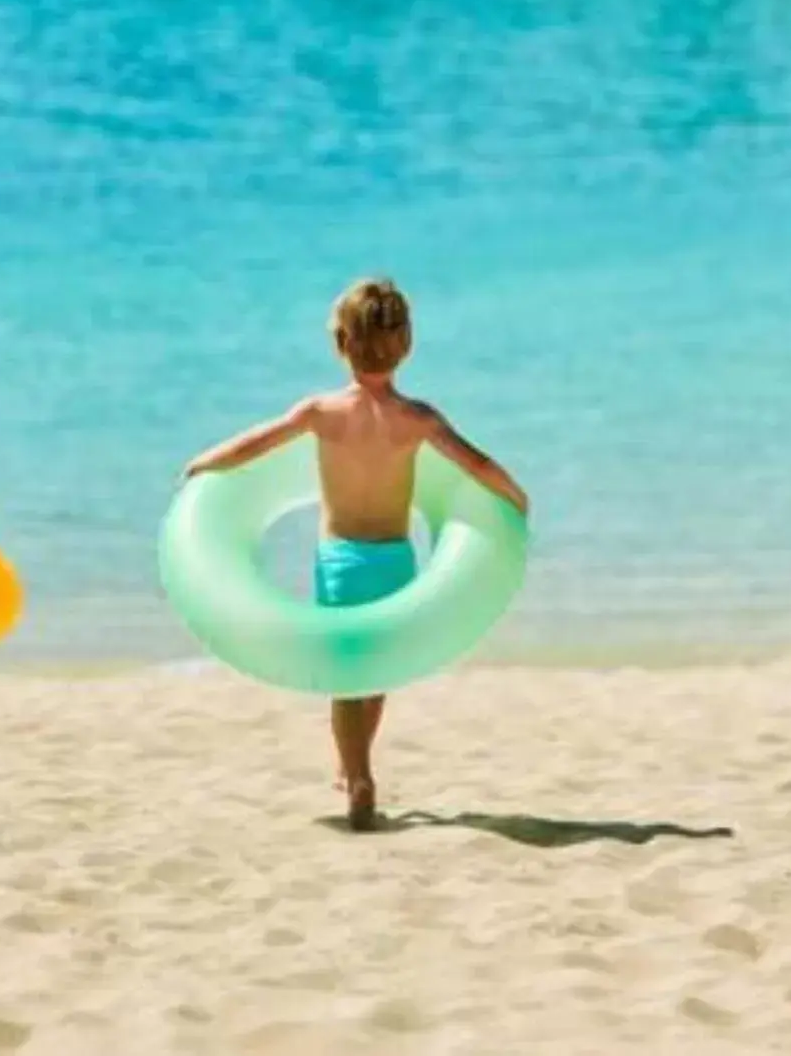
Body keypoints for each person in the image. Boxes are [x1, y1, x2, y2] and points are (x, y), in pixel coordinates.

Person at [182, 277, 530, 831]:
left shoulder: (321, 411)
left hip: (341, 562)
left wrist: (205, 462)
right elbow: (477, 465)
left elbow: (257, 444)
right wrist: (516, 499)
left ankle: (357, 773)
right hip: (396, 560)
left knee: (346, 680)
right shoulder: (419, 418)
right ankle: (360, 765)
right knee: (378, 671)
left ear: (340, 342)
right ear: (407, 344)